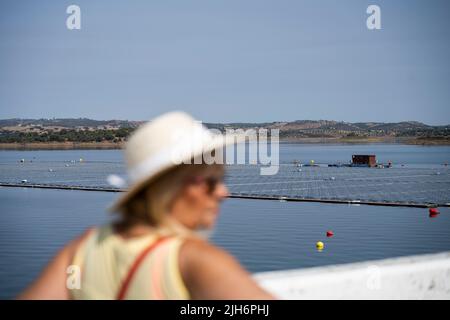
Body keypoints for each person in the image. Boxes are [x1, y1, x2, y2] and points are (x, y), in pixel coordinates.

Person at [18, 111, 274, 300]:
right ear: (171, 187)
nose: (223, 193)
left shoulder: (81, 251)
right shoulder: (194, 260)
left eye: (222, 180)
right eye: (210, 182)